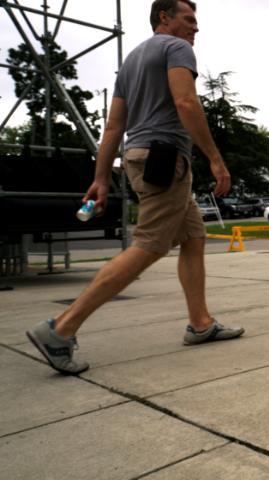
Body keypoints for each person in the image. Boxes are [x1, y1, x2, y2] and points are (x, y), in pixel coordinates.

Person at [26, 0, 244, 375]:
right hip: (165, 158)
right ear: (164, 17)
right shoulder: (177, 48)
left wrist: (99, 178)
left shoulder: (130, 62)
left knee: (193, 237)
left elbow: (113, 126)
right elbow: (186, 101)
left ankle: (201, 323)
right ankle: (61, 329)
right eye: (189, 19)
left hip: (138, 156)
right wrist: (215, 157)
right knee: (148, 245)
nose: (195, 28)